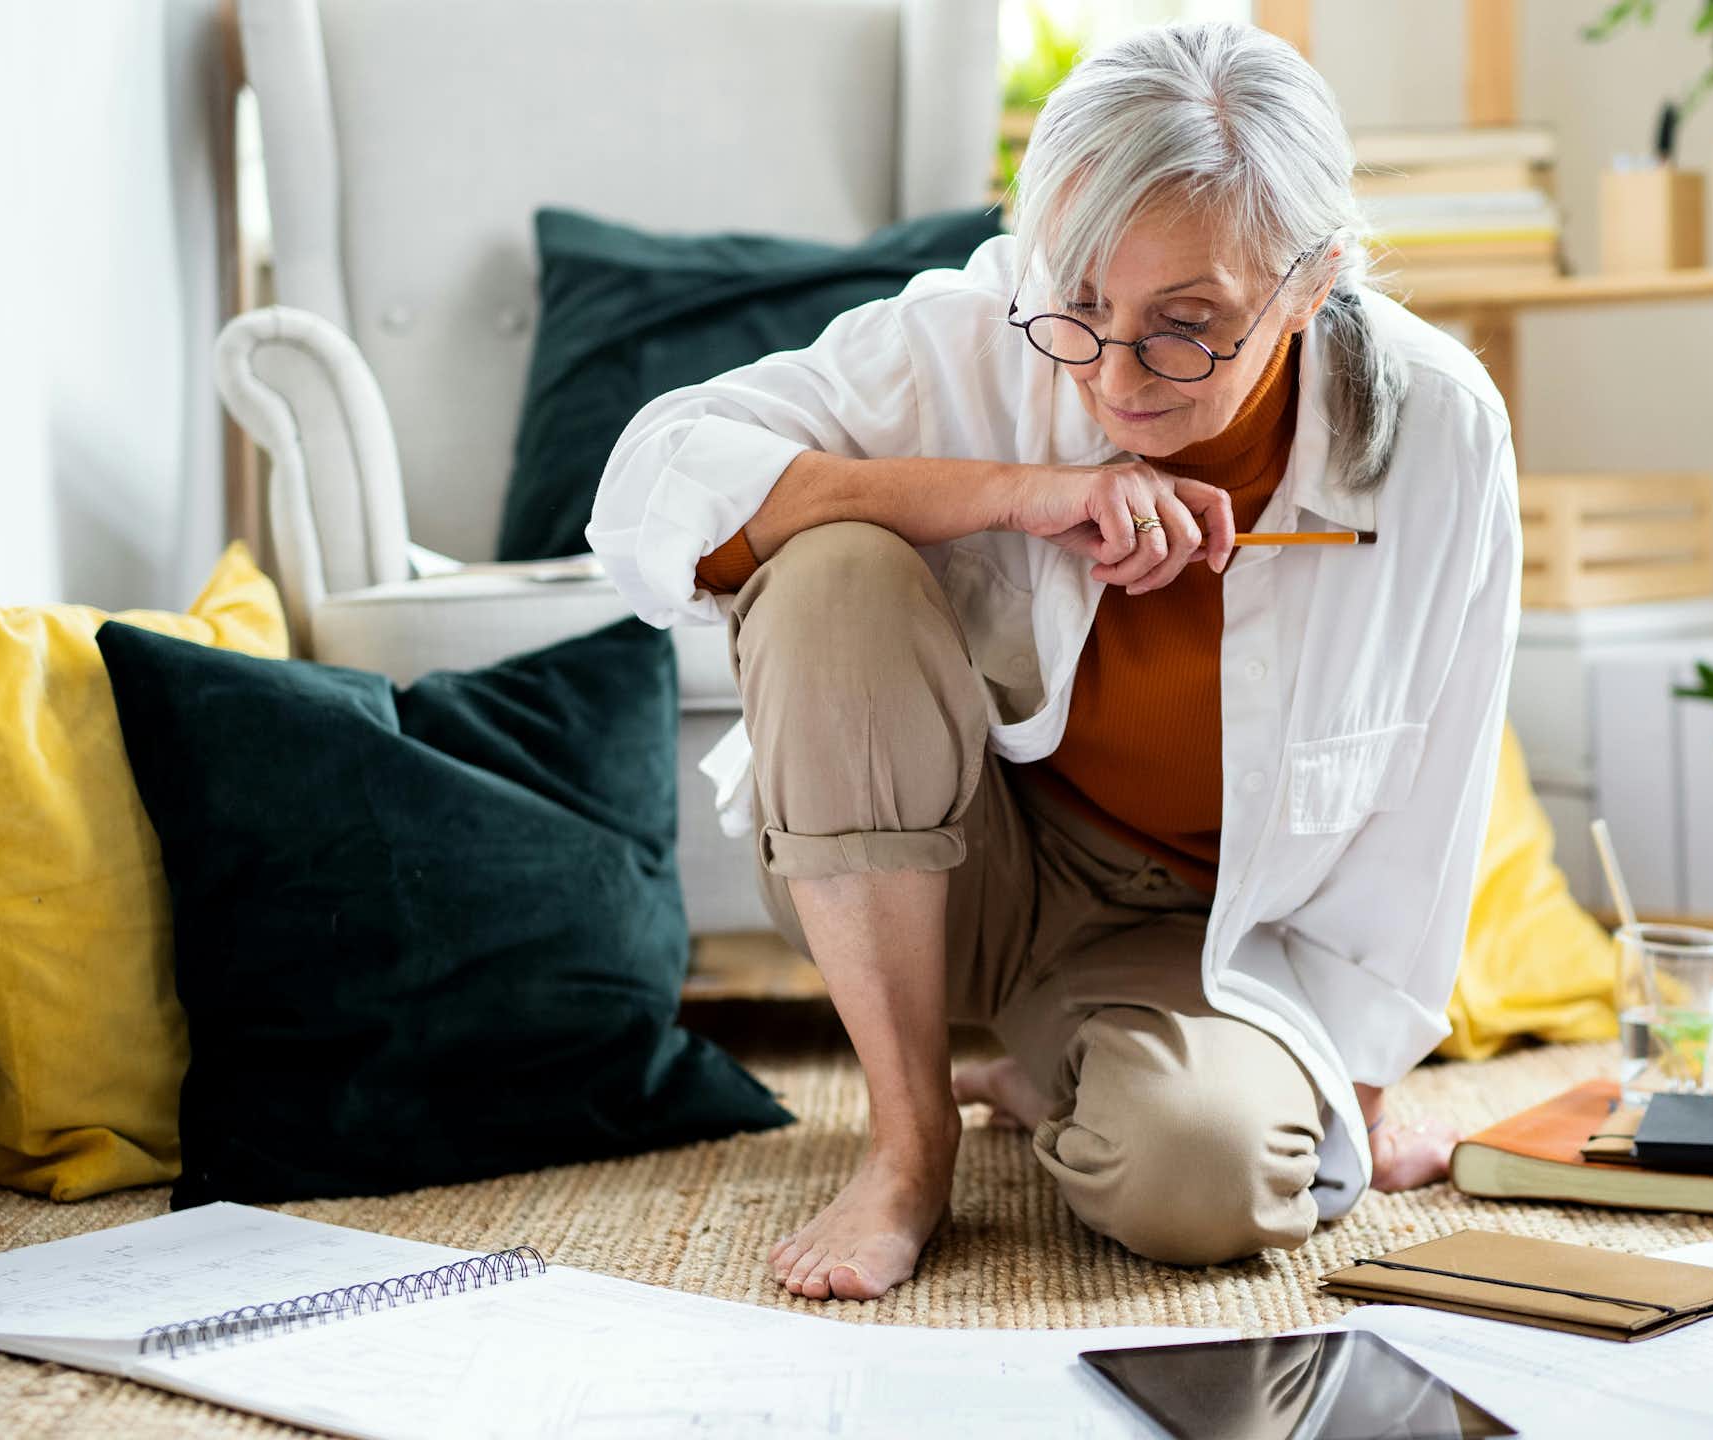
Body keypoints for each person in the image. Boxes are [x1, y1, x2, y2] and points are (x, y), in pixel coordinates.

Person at [587, 20, 1520, 1302]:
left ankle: (1055, 1068)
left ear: (1314, 282)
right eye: (1082, 302)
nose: (1117, 374)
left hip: (1204, 939)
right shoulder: (978, 331)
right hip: (954, 870)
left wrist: (1345, 1103)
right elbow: (652, 490)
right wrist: (1012, 493)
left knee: (1205, 1179)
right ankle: (910, 1145)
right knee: (832, 568)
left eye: (1186, 324)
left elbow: (1435, 802)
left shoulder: (1441, 434)